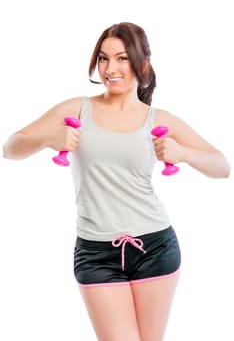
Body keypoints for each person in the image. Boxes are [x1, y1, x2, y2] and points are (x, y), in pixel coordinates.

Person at [2, 22, 230, 341]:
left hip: (155, 245)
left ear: (143, 64)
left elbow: (222, 166)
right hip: (95, 252)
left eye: (122, 58)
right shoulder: (77, 108)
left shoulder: (159, 119)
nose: (111, 68)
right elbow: (10, 147)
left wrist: (183, 153)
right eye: (104, 58)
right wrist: (47, 138)